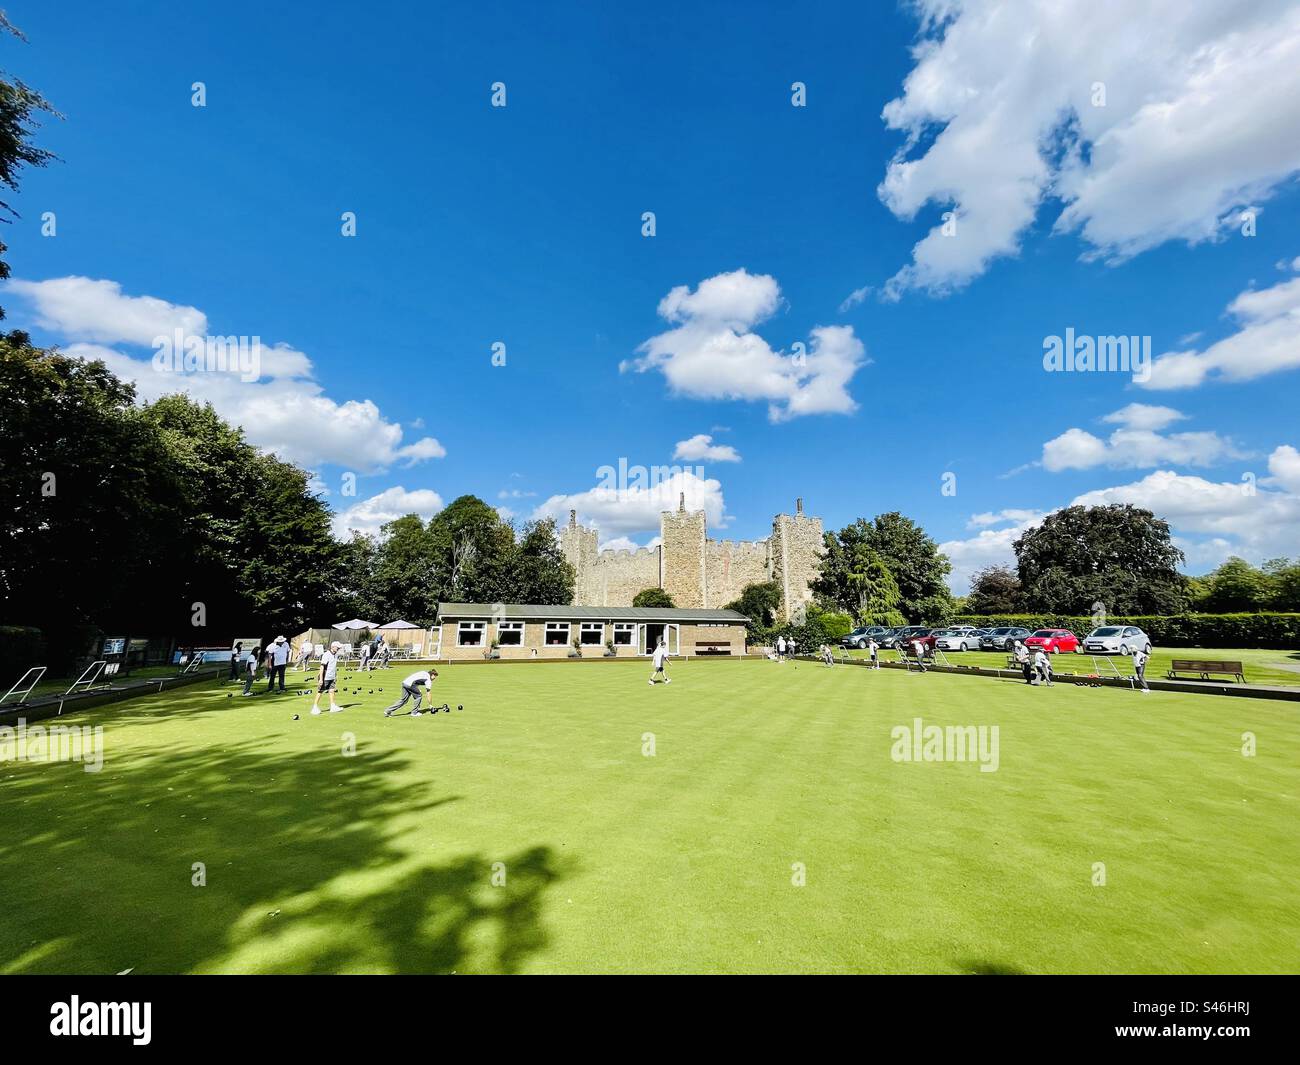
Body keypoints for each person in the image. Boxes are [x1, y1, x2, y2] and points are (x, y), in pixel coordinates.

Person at [310, 641, 344, 714]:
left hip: (332, 676)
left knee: (332, 691)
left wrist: (335, 675)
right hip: (325, 677)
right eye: (337, 647)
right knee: (320, 691)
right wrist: (321, 679)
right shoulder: (326, 655)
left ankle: (333, 706)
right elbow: (322, 667)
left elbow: (333, 666)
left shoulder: (336, 655)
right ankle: (314, 707)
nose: (338, 648)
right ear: (333, 647)